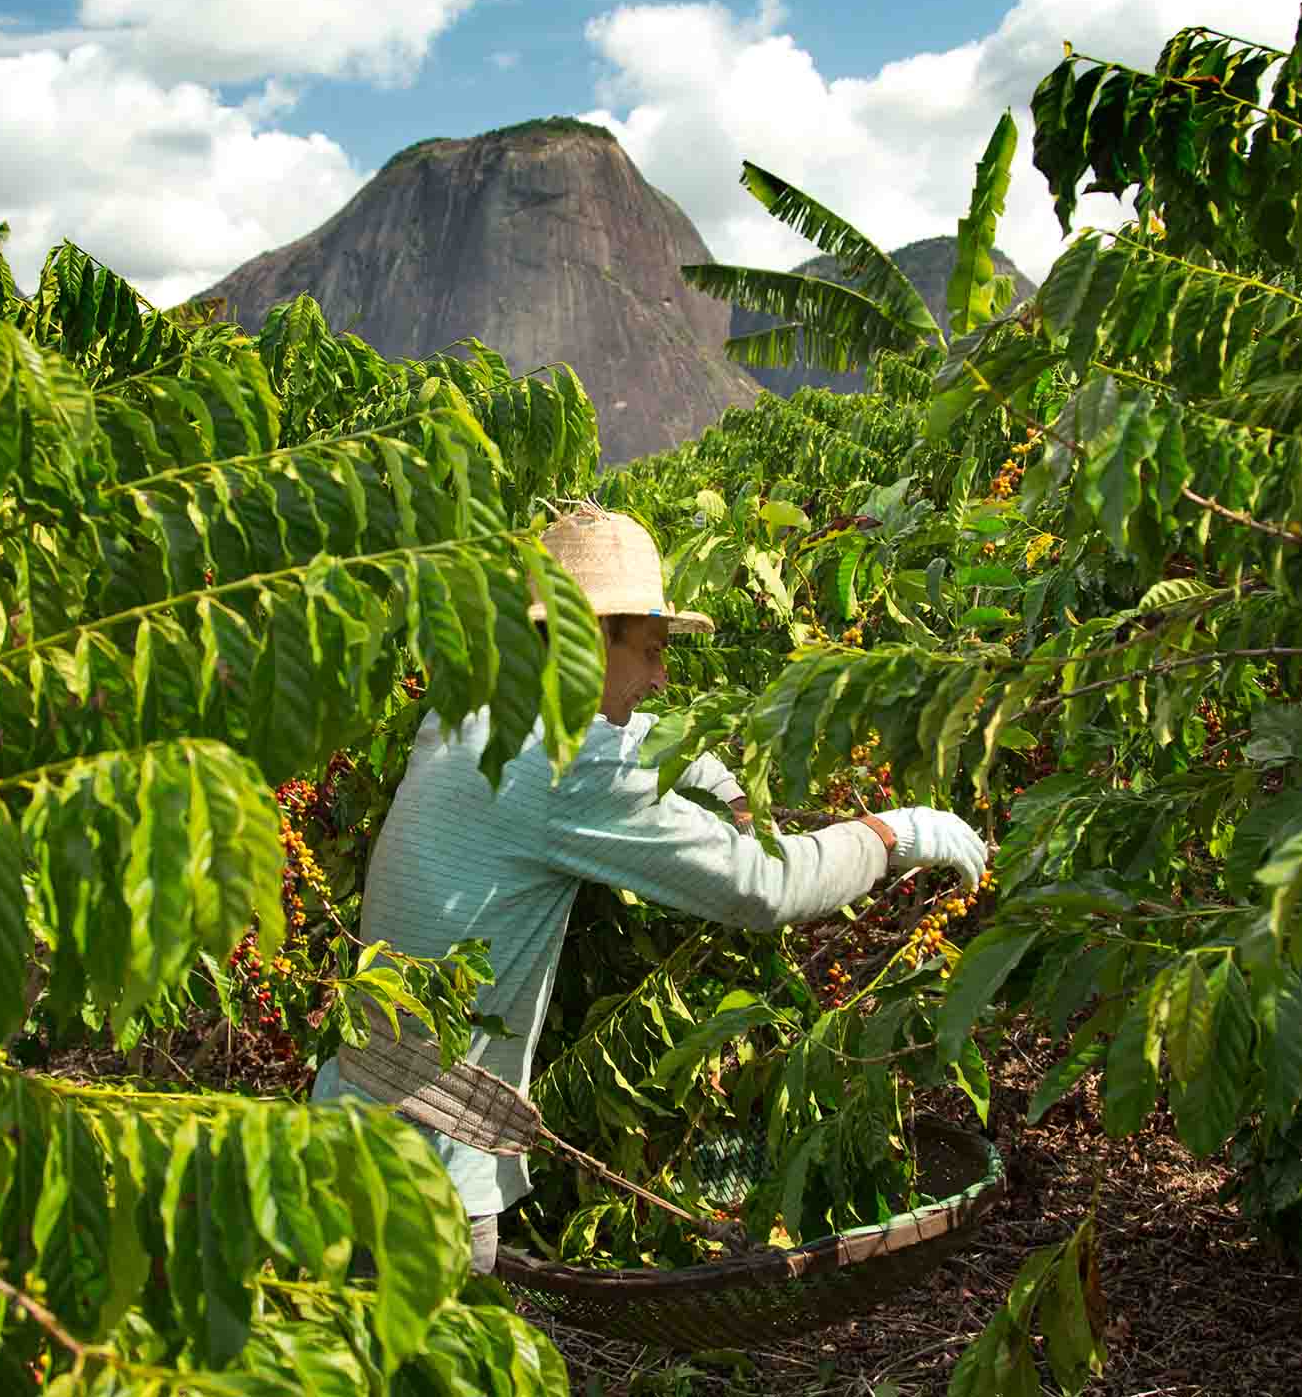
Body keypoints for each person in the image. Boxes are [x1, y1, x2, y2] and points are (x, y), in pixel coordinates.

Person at [310, 504, 991, 1274]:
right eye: (651, 651)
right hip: (422, 1183)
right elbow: (761, 888)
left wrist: (723, 787)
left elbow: (625, 735)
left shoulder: (472, 709)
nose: (661, 676)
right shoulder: (567, 765)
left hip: (347, 1122)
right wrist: (893, 836)